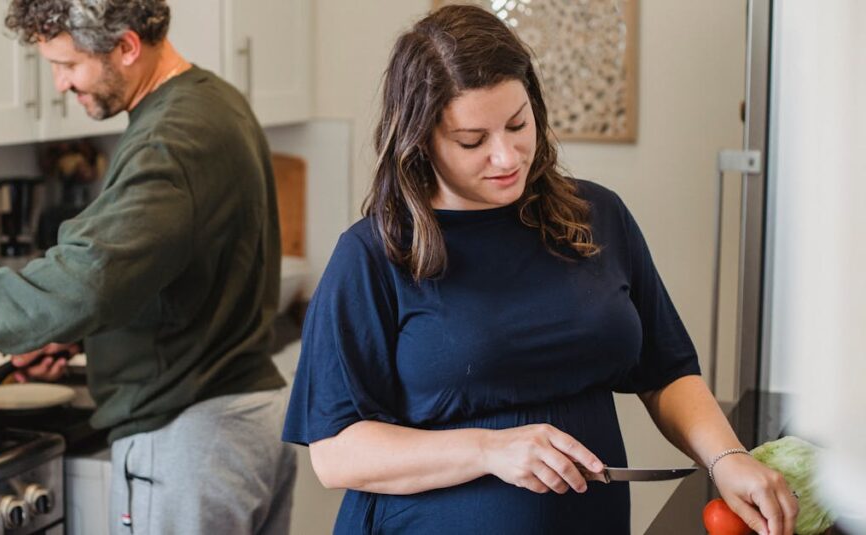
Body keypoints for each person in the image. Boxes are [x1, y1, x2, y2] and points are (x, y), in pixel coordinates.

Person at [282, 5, 797, 534]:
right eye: (472, 141)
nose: (506, 157)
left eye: (517, 124)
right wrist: (488, 450)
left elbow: (665, 372)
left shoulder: (597, 217)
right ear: (421, 142)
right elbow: (336, 454)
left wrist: (726, 458)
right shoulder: (374, 254)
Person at [0, 1, 295, 533]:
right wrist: (77, 340)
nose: (59, 84)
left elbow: (88, 278)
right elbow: (167, 275)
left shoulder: (169, 140)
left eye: (69, 64)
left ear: (126, 46)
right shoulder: (211, 101)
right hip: (241, 425)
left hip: (189, 440)